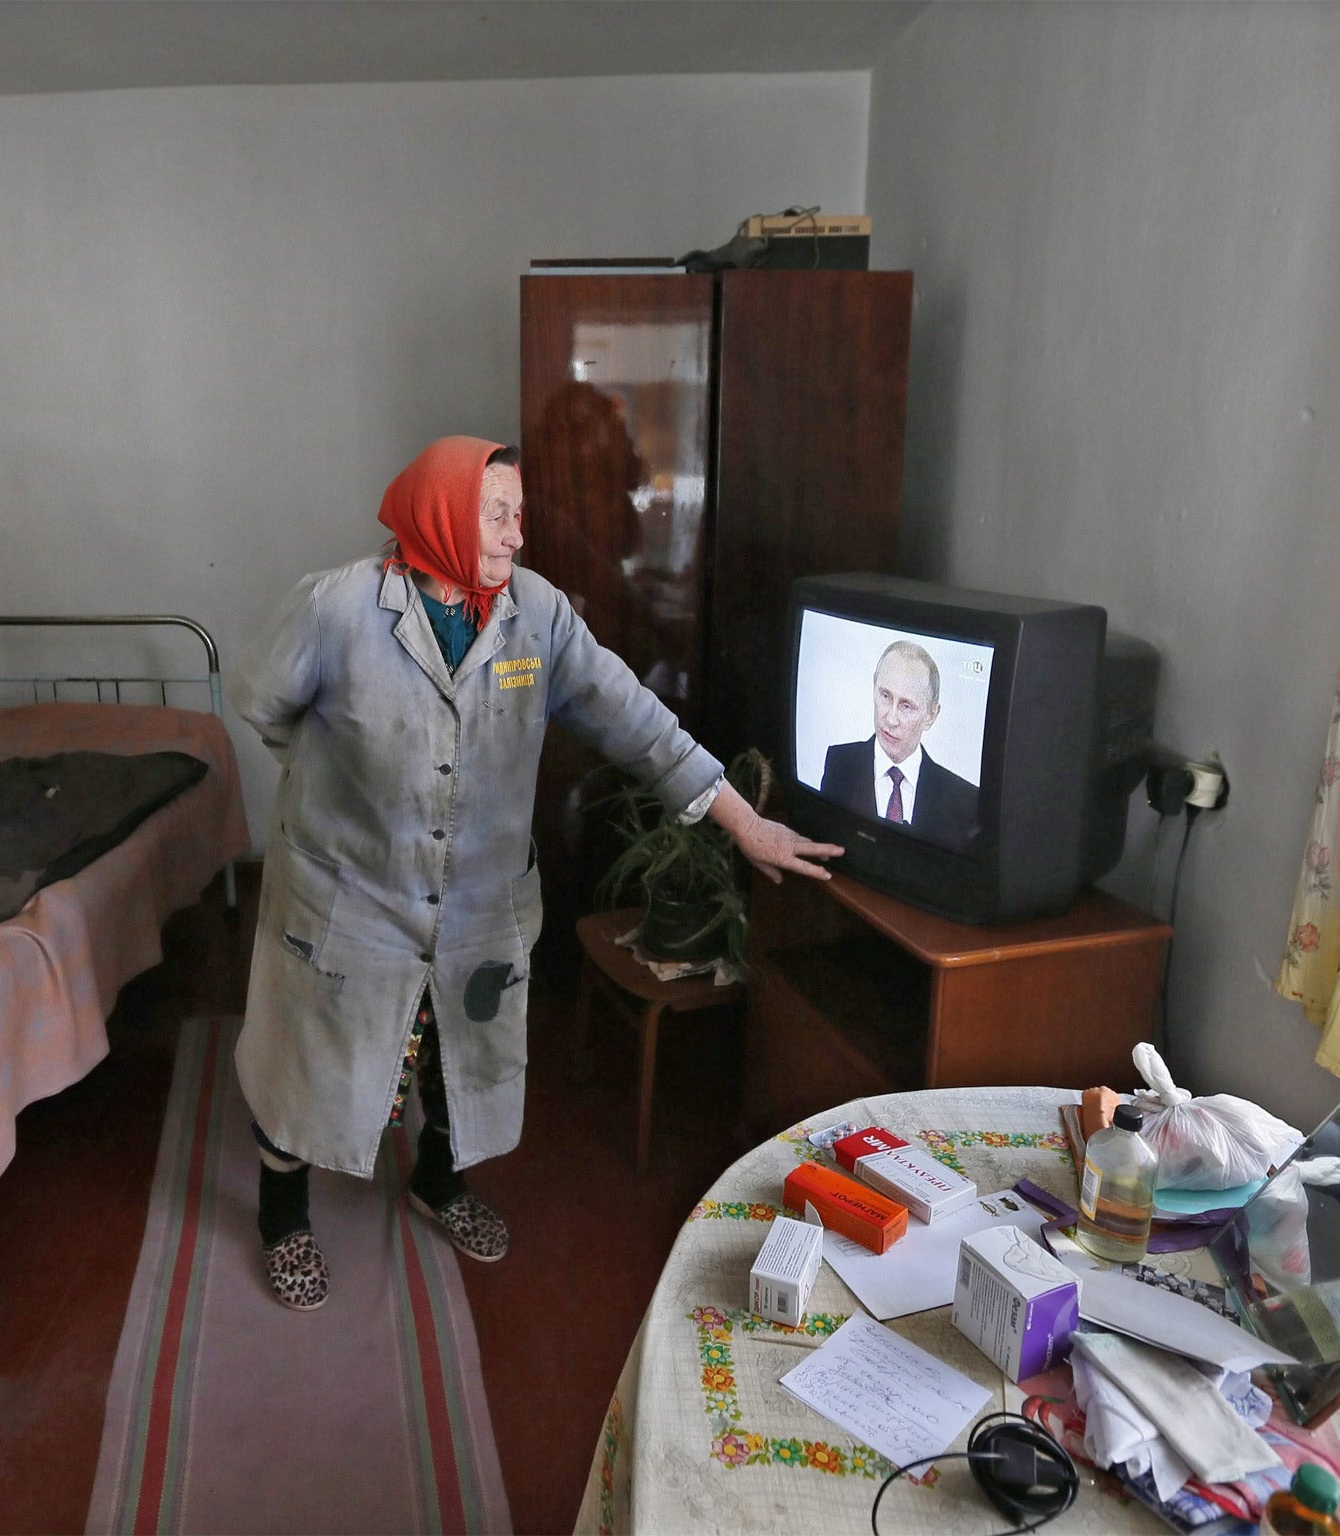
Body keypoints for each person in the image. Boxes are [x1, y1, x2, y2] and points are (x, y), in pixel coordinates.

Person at [231, 436, 840, 1311]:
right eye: (498, 514)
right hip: (350, 900)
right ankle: (283, 1218)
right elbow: (260, 701)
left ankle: (435, 1184)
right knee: (311, 1063)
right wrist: (334, 786)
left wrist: (742, 821)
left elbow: (636, 719)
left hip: (482, 904)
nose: (518, 536)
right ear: (440, 511)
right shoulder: (337, 608)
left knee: (460, 1059)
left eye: (521, 515)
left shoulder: (536, 614)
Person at [818, 639, 979, 849]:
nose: (891, 719)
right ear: (873, 689)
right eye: (885, 696)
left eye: (906, 706)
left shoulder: (963, 799)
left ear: (931, 715)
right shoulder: (839, 763)